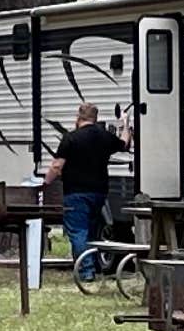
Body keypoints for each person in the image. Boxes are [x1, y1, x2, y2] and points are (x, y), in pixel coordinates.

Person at [45, 104, 125, 275]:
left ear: (78, 117)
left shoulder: (70, 138)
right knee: (91, 231)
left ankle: (86, 271)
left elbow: (57, 166)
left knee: (78, 231)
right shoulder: (105, 137)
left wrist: (46, 182)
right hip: (99, 193)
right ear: (95, 118)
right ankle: (92, 265)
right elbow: (124, 143)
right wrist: (126, 125)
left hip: (75, 193)